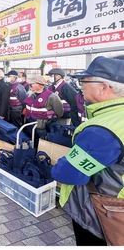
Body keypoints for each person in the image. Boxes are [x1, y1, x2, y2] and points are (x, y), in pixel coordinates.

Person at [51, 56, 124, 246]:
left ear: (104, 87)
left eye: (85, 80)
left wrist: (59, 164)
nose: (80, 85)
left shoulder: (102, 131)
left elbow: (69, 173)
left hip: (100, 213)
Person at [23, 75, 64, 149]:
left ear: (40, 85)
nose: (30, 85)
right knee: (31, 144)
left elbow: (59, 112)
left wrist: (49, 121)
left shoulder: (52, 96)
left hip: (41, 127)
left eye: (32, 84)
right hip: (29, 125)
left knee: (42, 145)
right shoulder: (30, 94)